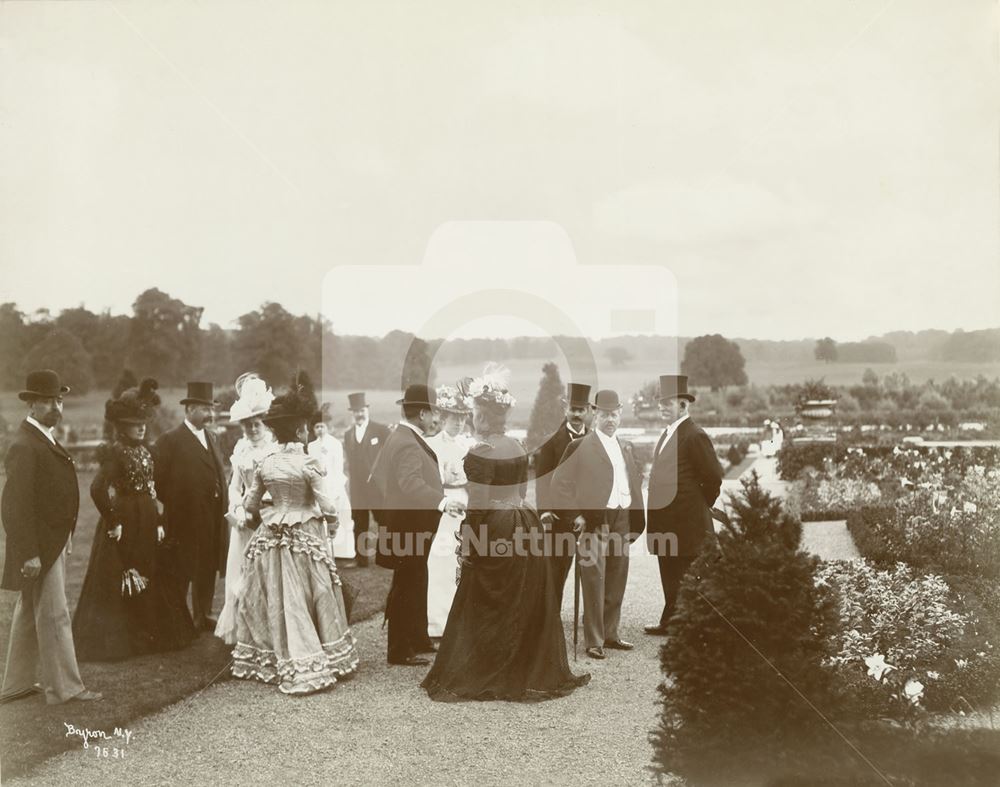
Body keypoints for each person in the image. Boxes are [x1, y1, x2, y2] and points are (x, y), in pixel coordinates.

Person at [421, 366, 590, 702]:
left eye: (476, 415)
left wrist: (468, 544)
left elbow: (479, 505)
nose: (473, 420)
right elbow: (522, 491)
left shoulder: (481, 451)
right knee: (517, 596)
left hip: (497, 524)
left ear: (484, 417)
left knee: (489, 597)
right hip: (522, 522)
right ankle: (518, 666)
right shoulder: (515, 443)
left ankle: (488, 667)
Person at [232, 372, 358, 694]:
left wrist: (266, 513)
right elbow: (327, 503)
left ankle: (277, 656)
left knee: (278, 595)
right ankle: (318, 656)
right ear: (300, 429)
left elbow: (250, 502)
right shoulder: (308, 462)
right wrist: (332, 523)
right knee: (315, 593)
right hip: (306, 532)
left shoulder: (267, 463)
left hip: (273, 535)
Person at [73, 378, 196, 661]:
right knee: (125, 574)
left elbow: (152, 488)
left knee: (150, 570)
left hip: (147, 519)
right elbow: (97, 489)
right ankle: (126, 640)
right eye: (134, 422)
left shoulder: (145, 450)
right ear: (121, 425)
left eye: (143, 421)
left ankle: (149, 636)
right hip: (125, 520)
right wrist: (113, 519)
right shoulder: (115, 453)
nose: (141, 426)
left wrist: (161, 522)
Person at [1, 370, 101, 704]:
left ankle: (16, 684)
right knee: (55, 614)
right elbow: (14, 506)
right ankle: (66, 688)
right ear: (30, 403)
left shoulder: (42, 436)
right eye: (46, 401)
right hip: (41, 545)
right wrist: (29, 553)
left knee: (30, 610)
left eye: (58, 399)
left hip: (51, 539)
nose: (55, 406)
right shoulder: (25, 444)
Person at [370, 385, 464, 666]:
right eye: (433, 411)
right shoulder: (407, 441)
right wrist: (443, 502)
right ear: (421, 413)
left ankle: (418, 637)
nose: (435, 417)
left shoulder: (402, 436)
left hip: (407, 525)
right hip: (407, 528)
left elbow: (379, 477)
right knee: (406, 585)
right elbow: (410, 483)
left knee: (416, 579)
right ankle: (399, 649)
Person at [551, 390, 645, 659]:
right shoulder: (579, 446)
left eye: (614, 414)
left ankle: (611, 633)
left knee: (617, 576)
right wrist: (575, 515)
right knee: (594, 578)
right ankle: (593, 639)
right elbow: (560, 485)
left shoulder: (625, 446)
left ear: (621, 414)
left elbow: (631, 482)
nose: (610, 420)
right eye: (604, 415)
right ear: (594, 414)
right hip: (595, 519)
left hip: (622, 517)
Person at [645, 374, 724, 636]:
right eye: (661, 402)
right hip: (668, 522)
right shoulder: (669, 433)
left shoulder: (694, 435)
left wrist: (702, 504)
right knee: (670, 574)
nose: (662, 406)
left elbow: (712, 477)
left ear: (683, 405)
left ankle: (690, 626)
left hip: (687, 522)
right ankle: (671, 621)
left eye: (668, 402)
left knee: (688, 575)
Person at [154, 381, 229, 631]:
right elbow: (158, 480)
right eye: (205, 409)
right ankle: (177, 620)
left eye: (211, 409)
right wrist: (178, 503)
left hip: (212, 517)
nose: (210, 414)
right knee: (181, 569)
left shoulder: (212, 437)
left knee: (207, 567)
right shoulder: (170, 440)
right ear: (189, 410)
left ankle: (203, 614)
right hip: (183, 520)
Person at [214, 373, 277, 645]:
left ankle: (269, 635)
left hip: (267, 520)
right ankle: (245, 635)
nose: (252, 429)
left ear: (265, 423)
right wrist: (236, 509)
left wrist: (261, 511)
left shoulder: (275, 449)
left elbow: (277, 487)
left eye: (257, 424)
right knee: (241, 576)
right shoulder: (240, 448)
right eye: (247, 425)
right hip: (243, 524)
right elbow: (234, 485)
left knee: (266, 578)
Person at [533, 382, 591, 609]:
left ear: (588, 411)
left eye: (581, 410)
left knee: (592, 571)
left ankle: (594, 623)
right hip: (559, 517)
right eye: (573, 409)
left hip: (589, 516)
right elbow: (542, 479)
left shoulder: (595, 440)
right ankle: (550, 617)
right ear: (565, 408)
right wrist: (544, 510)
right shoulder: (551, 442)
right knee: (556, 570)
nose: (576, 414)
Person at [424, 385, 474, 638]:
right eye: (455, 418)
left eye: (463, 418)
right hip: (444, 503)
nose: (459, 423)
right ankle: (437, 622)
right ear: (443, 418)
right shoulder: (432, 444)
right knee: (442, 560)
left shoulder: (469, 444)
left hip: (465, 500)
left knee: (463, 560)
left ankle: (462, 620)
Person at [343, 392, 390, 566]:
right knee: (359, 523)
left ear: (367, 410)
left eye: (362, 410)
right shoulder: (348, 435)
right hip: (358, 488)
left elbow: (392, 454)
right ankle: (361, 559)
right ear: (352, 413)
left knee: (383, 521)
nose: (359, 414)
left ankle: (385, 558)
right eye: (356, 411)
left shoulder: (381, 430)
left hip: (378, 486)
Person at [308, 418, 354, 559]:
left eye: (322, 426)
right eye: (317, 427)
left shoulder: (335, 443)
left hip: (334, 482)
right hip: (318, 484)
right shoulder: (311, 446)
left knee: (339, 517)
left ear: (327, 427)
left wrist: (335, 487)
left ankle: (342, 553)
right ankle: (324, 551)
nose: (320, 430)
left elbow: (338, 466)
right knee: (320, 517)